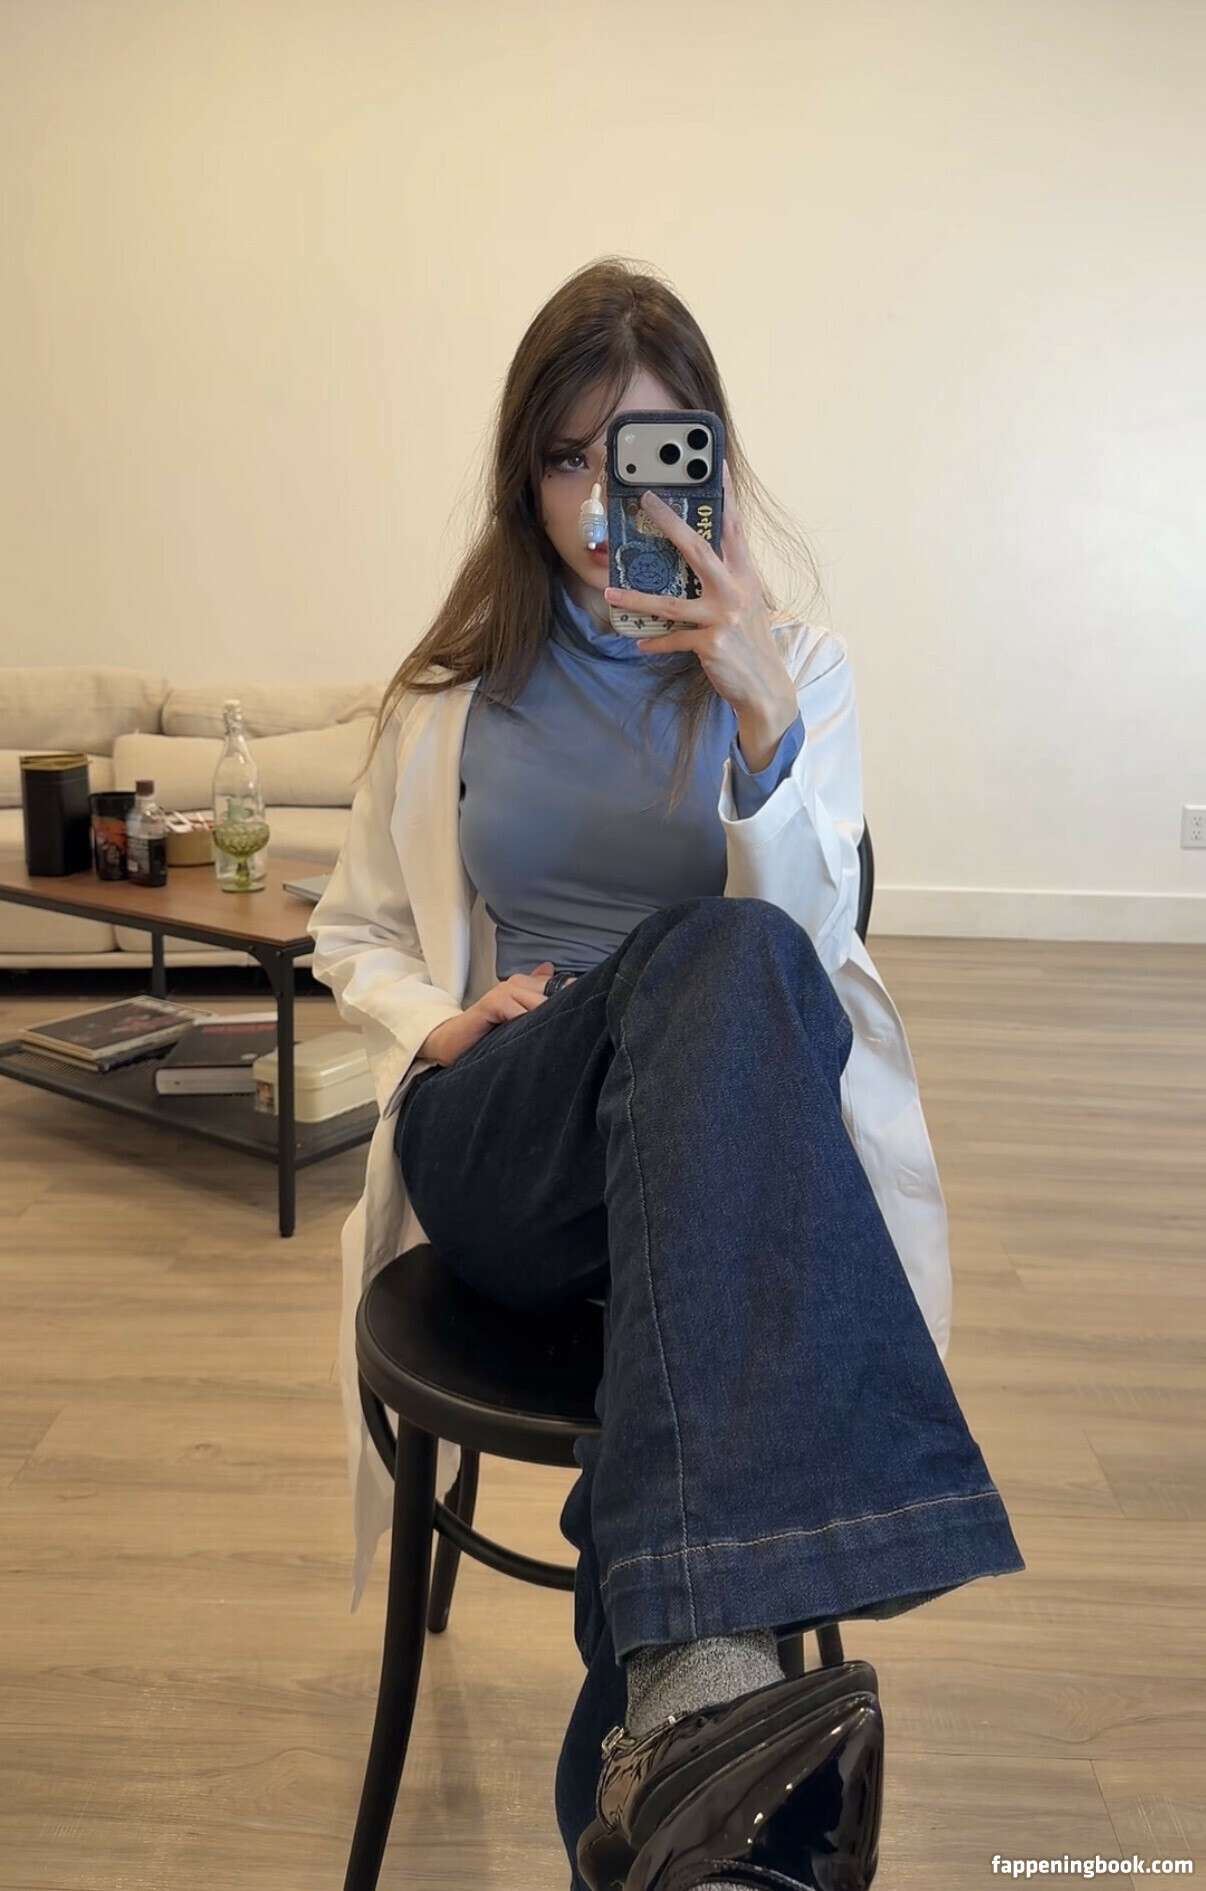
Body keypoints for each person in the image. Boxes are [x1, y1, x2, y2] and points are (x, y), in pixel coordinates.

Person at [308, 256, 1025, 1891]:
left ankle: (688, 1749)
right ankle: (698, 1704)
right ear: (523, 478)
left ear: (702, 462)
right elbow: (355, 927)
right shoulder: (452, 691)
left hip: (699, 1143)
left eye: (640, 457)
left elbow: (813, 960)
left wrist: (760, 722)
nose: (599, 503)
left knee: (735, 963)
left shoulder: (800, 670)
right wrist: (434, 1023)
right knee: (715, 957)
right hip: (511, 1134)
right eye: (566, 460)